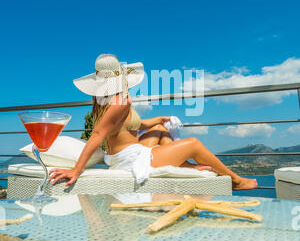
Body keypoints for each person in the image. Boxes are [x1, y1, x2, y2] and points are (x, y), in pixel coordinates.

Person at [49, 54, 257, 191]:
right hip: (128, 159)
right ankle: (236, 181)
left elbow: (130, 126)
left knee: (159, 129)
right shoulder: (121, 100)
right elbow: (97, 135)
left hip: (120, 154)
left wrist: (159, 119)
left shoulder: (102, 100)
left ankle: (185, 166)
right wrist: (77, 170)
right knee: (193, 143)